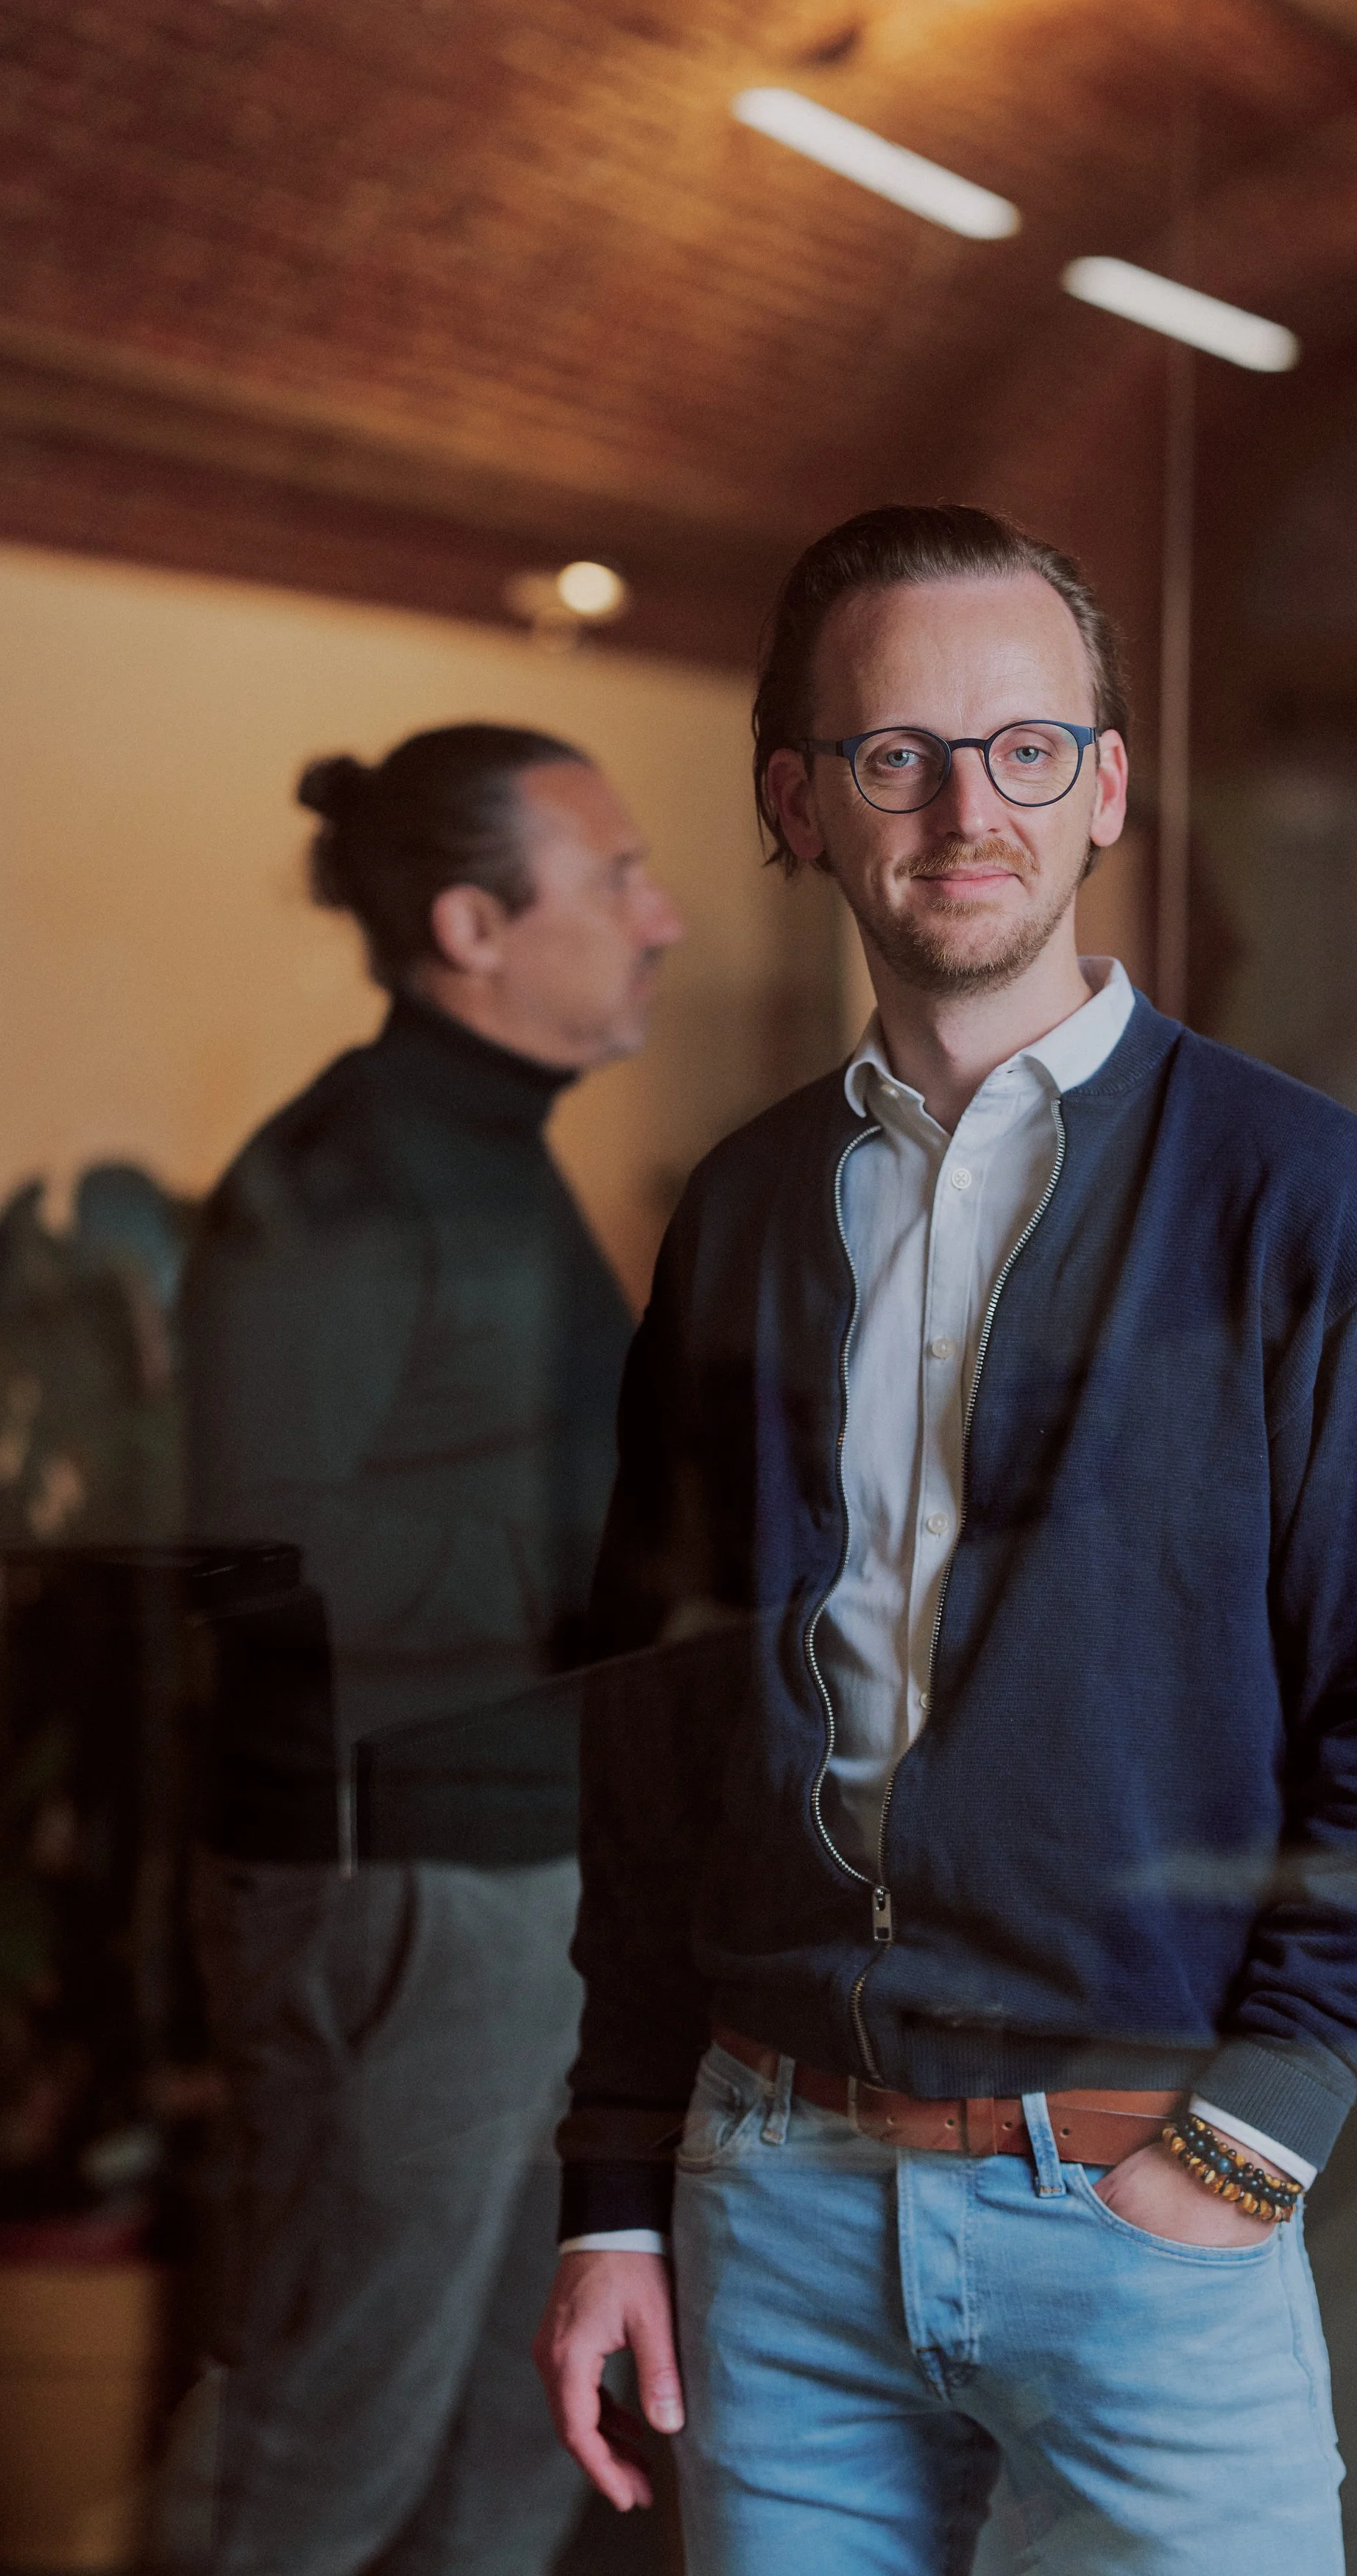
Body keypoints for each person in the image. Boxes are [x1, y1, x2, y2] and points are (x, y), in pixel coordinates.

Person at [533, 504, 1357, 2575]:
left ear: (1110, 792)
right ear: (797, 802)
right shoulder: (736, 1211)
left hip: (1143, 2200)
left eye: (1028, 748)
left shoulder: (1297, 1195)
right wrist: (617, 2179)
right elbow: (653, 1729)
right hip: (775, 2198)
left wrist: (1256, 2136)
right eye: (895, 754)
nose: (966, 806)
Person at [177, 723, 684, 2576]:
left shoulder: (487, 1152)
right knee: (332, 2435)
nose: (668, 916)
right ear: (474, 923)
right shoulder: (344, 1170)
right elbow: (270, 1547)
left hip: (506, 1871)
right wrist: (634, 1552)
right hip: (400, 1882)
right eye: (618, 877)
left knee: (513, 2438)